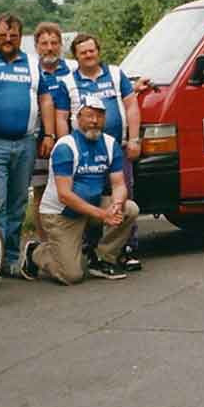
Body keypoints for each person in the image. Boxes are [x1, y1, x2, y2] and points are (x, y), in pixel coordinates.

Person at [0, 13, 57, 279]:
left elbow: (45, 98)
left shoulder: (31, 63)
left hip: (26, 142)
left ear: (21, 37)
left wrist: (49, 134)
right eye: (3, 35)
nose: (8, 39)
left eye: (14, 35)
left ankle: (9, 259)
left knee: (18, 204)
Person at [20, 94, 140, 284]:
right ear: (78, 118)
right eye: (89, 115)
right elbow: (65, 196)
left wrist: (116, 205)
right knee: (71, 275)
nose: (95, 121)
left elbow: (118, 184)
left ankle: (103, 258)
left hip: (91, 206)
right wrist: (103, 214)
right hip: (61, 213)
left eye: (100, 116)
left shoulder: (110, 144)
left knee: (129, 208)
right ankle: (37, 252)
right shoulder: (65, 147)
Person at [57, 33, 143, 271]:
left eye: (91, 50)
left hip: (117, 149)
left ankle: (124, 249)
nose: (88, 55)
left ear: (98, 51)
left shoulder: (115, 73)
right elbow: (62, 117)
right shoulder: (68, 82)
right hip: (84, 153)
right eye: (83, 52)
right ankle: (90, 247)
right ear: (76, 56)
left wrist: (134, 139)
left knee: (123, 198)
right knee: (89, 198)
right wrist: (65, 147)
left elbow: (131, 106)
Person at [31, 22, 74, 241]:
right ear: (36, 46)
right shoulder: (31, 71)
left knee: (72, 188)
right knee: (40, 192)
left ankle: (73, 241)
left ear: (61, 45)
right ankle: (45, 242)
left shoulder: (73, 68)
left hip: (71, 139)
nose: (49, 48)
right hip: (40, 141)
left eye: (54, 43)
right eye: (44, 43)